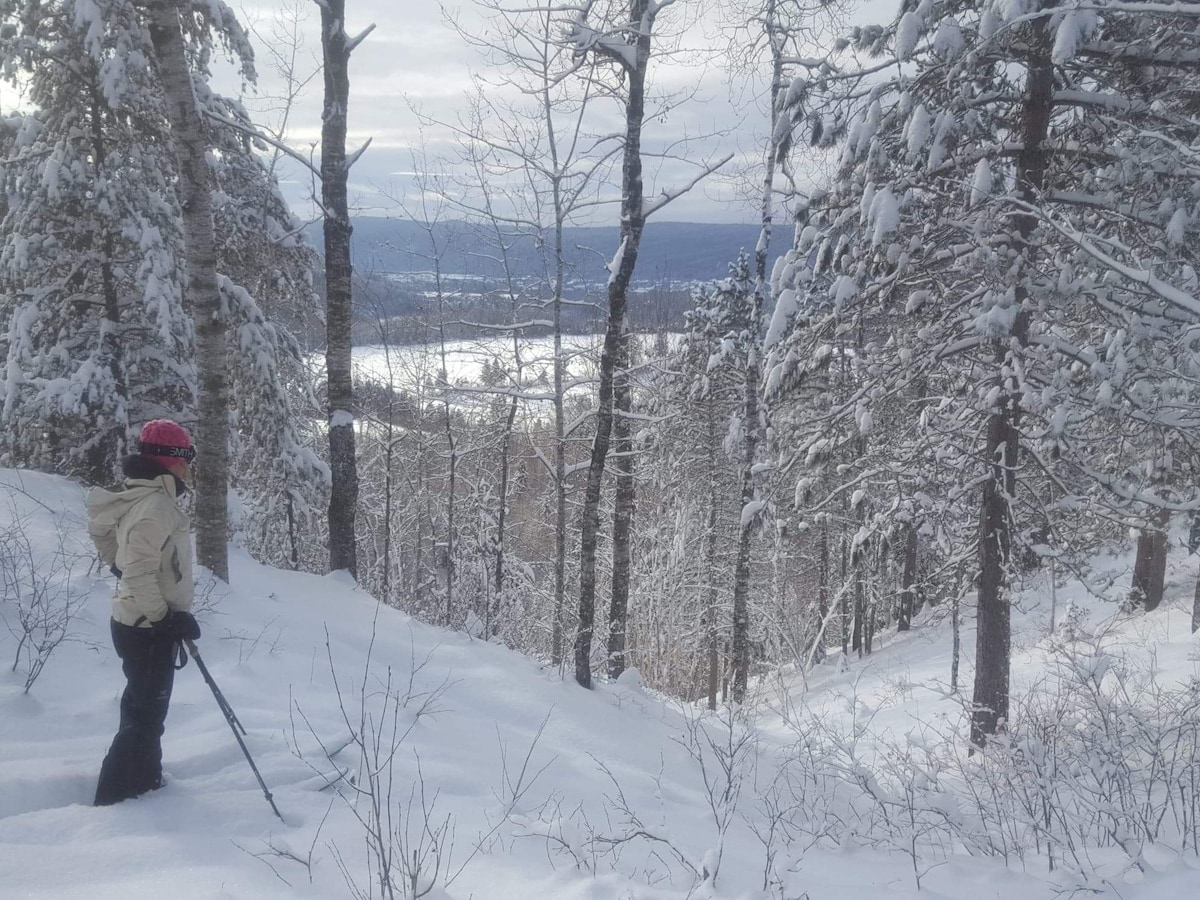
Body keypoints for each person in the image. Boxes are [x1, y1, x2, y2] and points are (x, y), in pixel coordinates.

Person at [86, 419, 202, 806]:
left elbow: (102, 529)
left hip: (137, 622)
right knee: (145, 717)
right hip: (147, 626)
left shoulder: (138, 496)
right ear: (167, 460)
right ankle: (115, 798)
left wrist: (118, 564)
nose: (188, 466)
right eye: (185, 457)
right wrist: (165, 618)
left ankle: (146, 780)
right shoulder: (155, 505)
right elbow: (138, 567)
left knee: (142, 708)